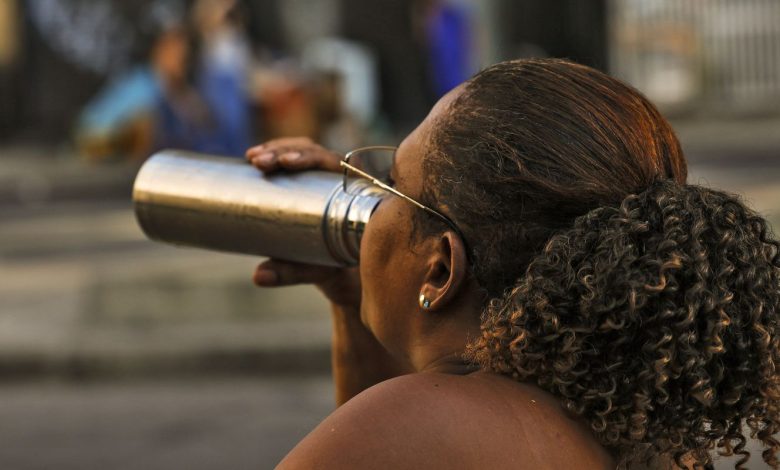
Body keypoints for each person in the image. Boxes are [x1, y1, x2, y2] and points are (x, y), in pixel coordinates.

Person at [245, 59, 780, 469]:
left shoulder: (415, 426)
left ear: (439, 269)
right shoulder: (650, 442)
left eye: (392, 185)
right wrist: (354, 300)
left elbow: (394, 434)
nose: (371, 203)